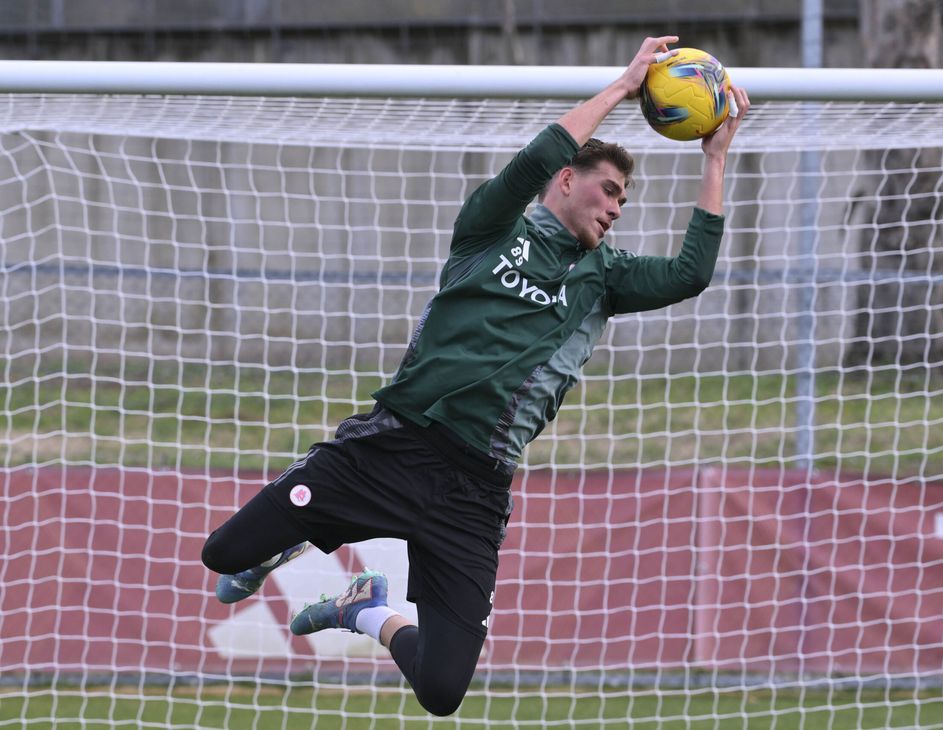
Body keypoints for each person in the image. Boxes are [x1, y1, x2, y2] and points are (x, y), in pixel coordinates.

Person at [201, 34, 750, 717]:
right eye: (608, 191)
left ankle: (365, 610)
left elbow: (691, 274)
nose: (615, 208)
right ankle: (281, 543)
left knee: (441, 690)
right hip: (394, 446)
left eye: (623, 202)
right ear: (566, 180)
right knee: (223, 553)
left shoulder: (606, 278)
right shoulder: (490, 231)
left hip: (476, 490)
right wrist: (621, 88)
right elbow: (536, 156)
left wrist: (715, 157)